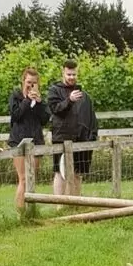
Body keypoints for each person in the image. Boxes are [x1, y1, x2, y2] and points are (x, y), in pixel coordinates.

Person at [47, 59, 99, 196]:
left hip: (80, 139)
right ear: (63, 72)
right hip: (61, 138)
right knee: (60, 172)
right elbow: (55, 109)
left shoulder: (84, 96)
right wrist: (69, 100)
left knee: (77, 173)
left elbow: (91, 117)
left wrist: (92, 136)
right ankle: (59, 205)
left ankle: (75, 203)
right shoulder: (54, 91)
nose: (71, 77)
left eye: (74, 74)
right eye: (69, 74)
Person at [8, 67, 51, 210]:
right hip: (19, 141)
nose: (31, 85)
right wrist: (26, 100)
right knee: (23, 178)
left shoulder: (39, 100)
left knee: (32, 177)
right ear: (23, 81)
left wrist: (39, 103)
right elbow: (15, 116)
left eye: (34, 83)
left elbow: (45, 119)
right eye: (28, 82)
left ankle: (31, 210)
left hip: (36, 141)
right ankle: (21, 211)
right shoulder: (15, 96)